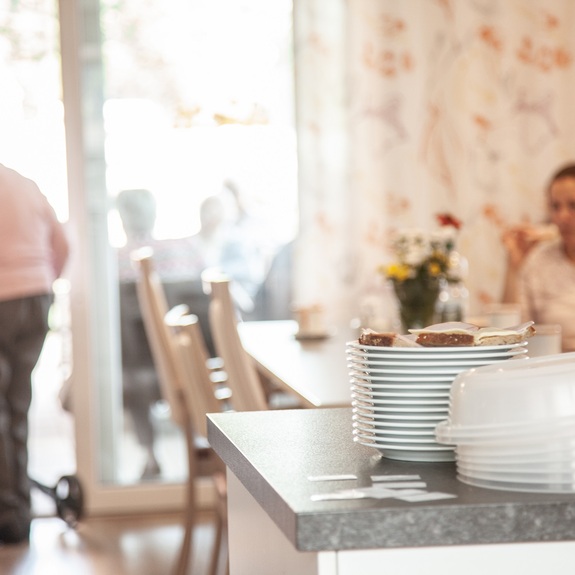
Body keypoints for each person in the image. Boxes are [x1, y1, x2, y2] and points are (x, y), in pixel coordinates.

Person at [0, 163, 69, 544]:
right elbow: (63, 245)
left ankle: (8, 515)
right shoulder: (24, 182)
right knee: (17, 402)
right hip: (36, 296)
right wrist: (42, 279)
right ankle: (19, 509)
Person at [502, 163, 575, 351]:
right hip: (553, 372)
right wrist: (514, 267)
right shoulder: (539, 261)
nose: (562, 216)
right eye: (555, 207)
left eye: (573, 205)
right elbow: (510, 335)